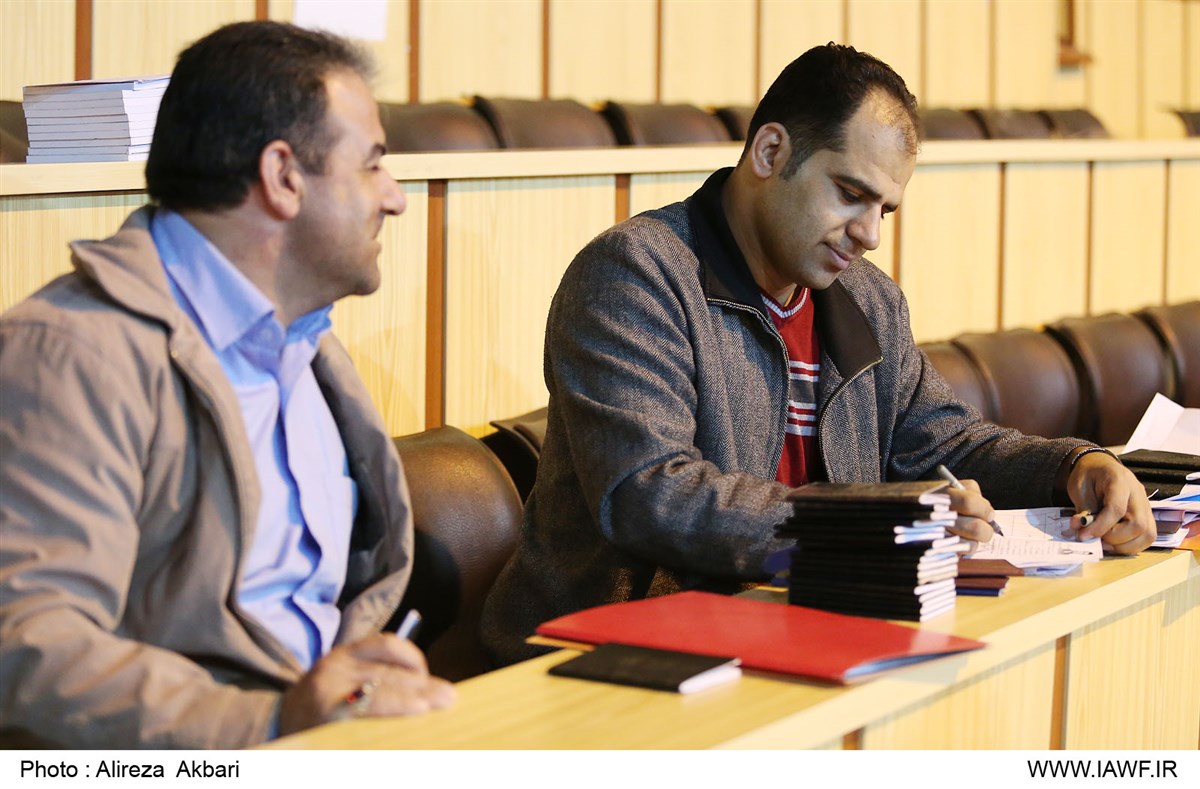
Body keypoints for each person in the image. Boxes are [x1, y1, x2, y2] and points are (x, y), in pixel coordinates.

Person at [481, 44, 1155, 667]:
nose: (870, 234)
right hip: (608, 655)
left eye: (885, 208)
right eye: (851, 194)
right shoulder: (635, 273)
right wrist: (869, 527)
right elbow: (651, 494)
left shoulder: (869, 299)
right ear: (771, 151)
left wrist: (1075, 466)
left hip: (793, 626)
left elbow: (942, 445)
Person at [0, 21, 455, 748]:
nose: (395, 197)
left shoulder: (304, 337)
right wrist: (271, 720)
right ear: (282, 177)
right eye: (372, 165)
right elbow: (27, 642)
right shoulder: (69, 352)